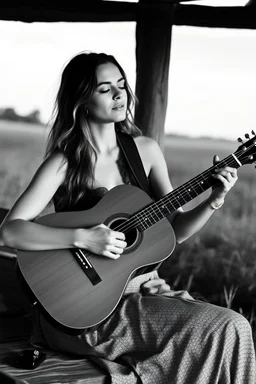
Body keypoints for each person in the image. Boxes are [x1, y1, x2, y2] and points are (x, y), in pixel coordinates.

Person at [0, 51, 255, 384]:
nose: (119, 94)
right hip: (80, 309)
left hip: (140, 294)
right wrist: (83, 237)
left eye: (121, 84)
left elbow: (174, 231)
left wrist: (215, 199)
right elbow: (10, 232)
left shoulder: (145, 151)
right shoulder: (65, 162)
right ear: (82, 100)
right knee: (230, 326)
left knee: (229, 329)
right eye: (105, 89)